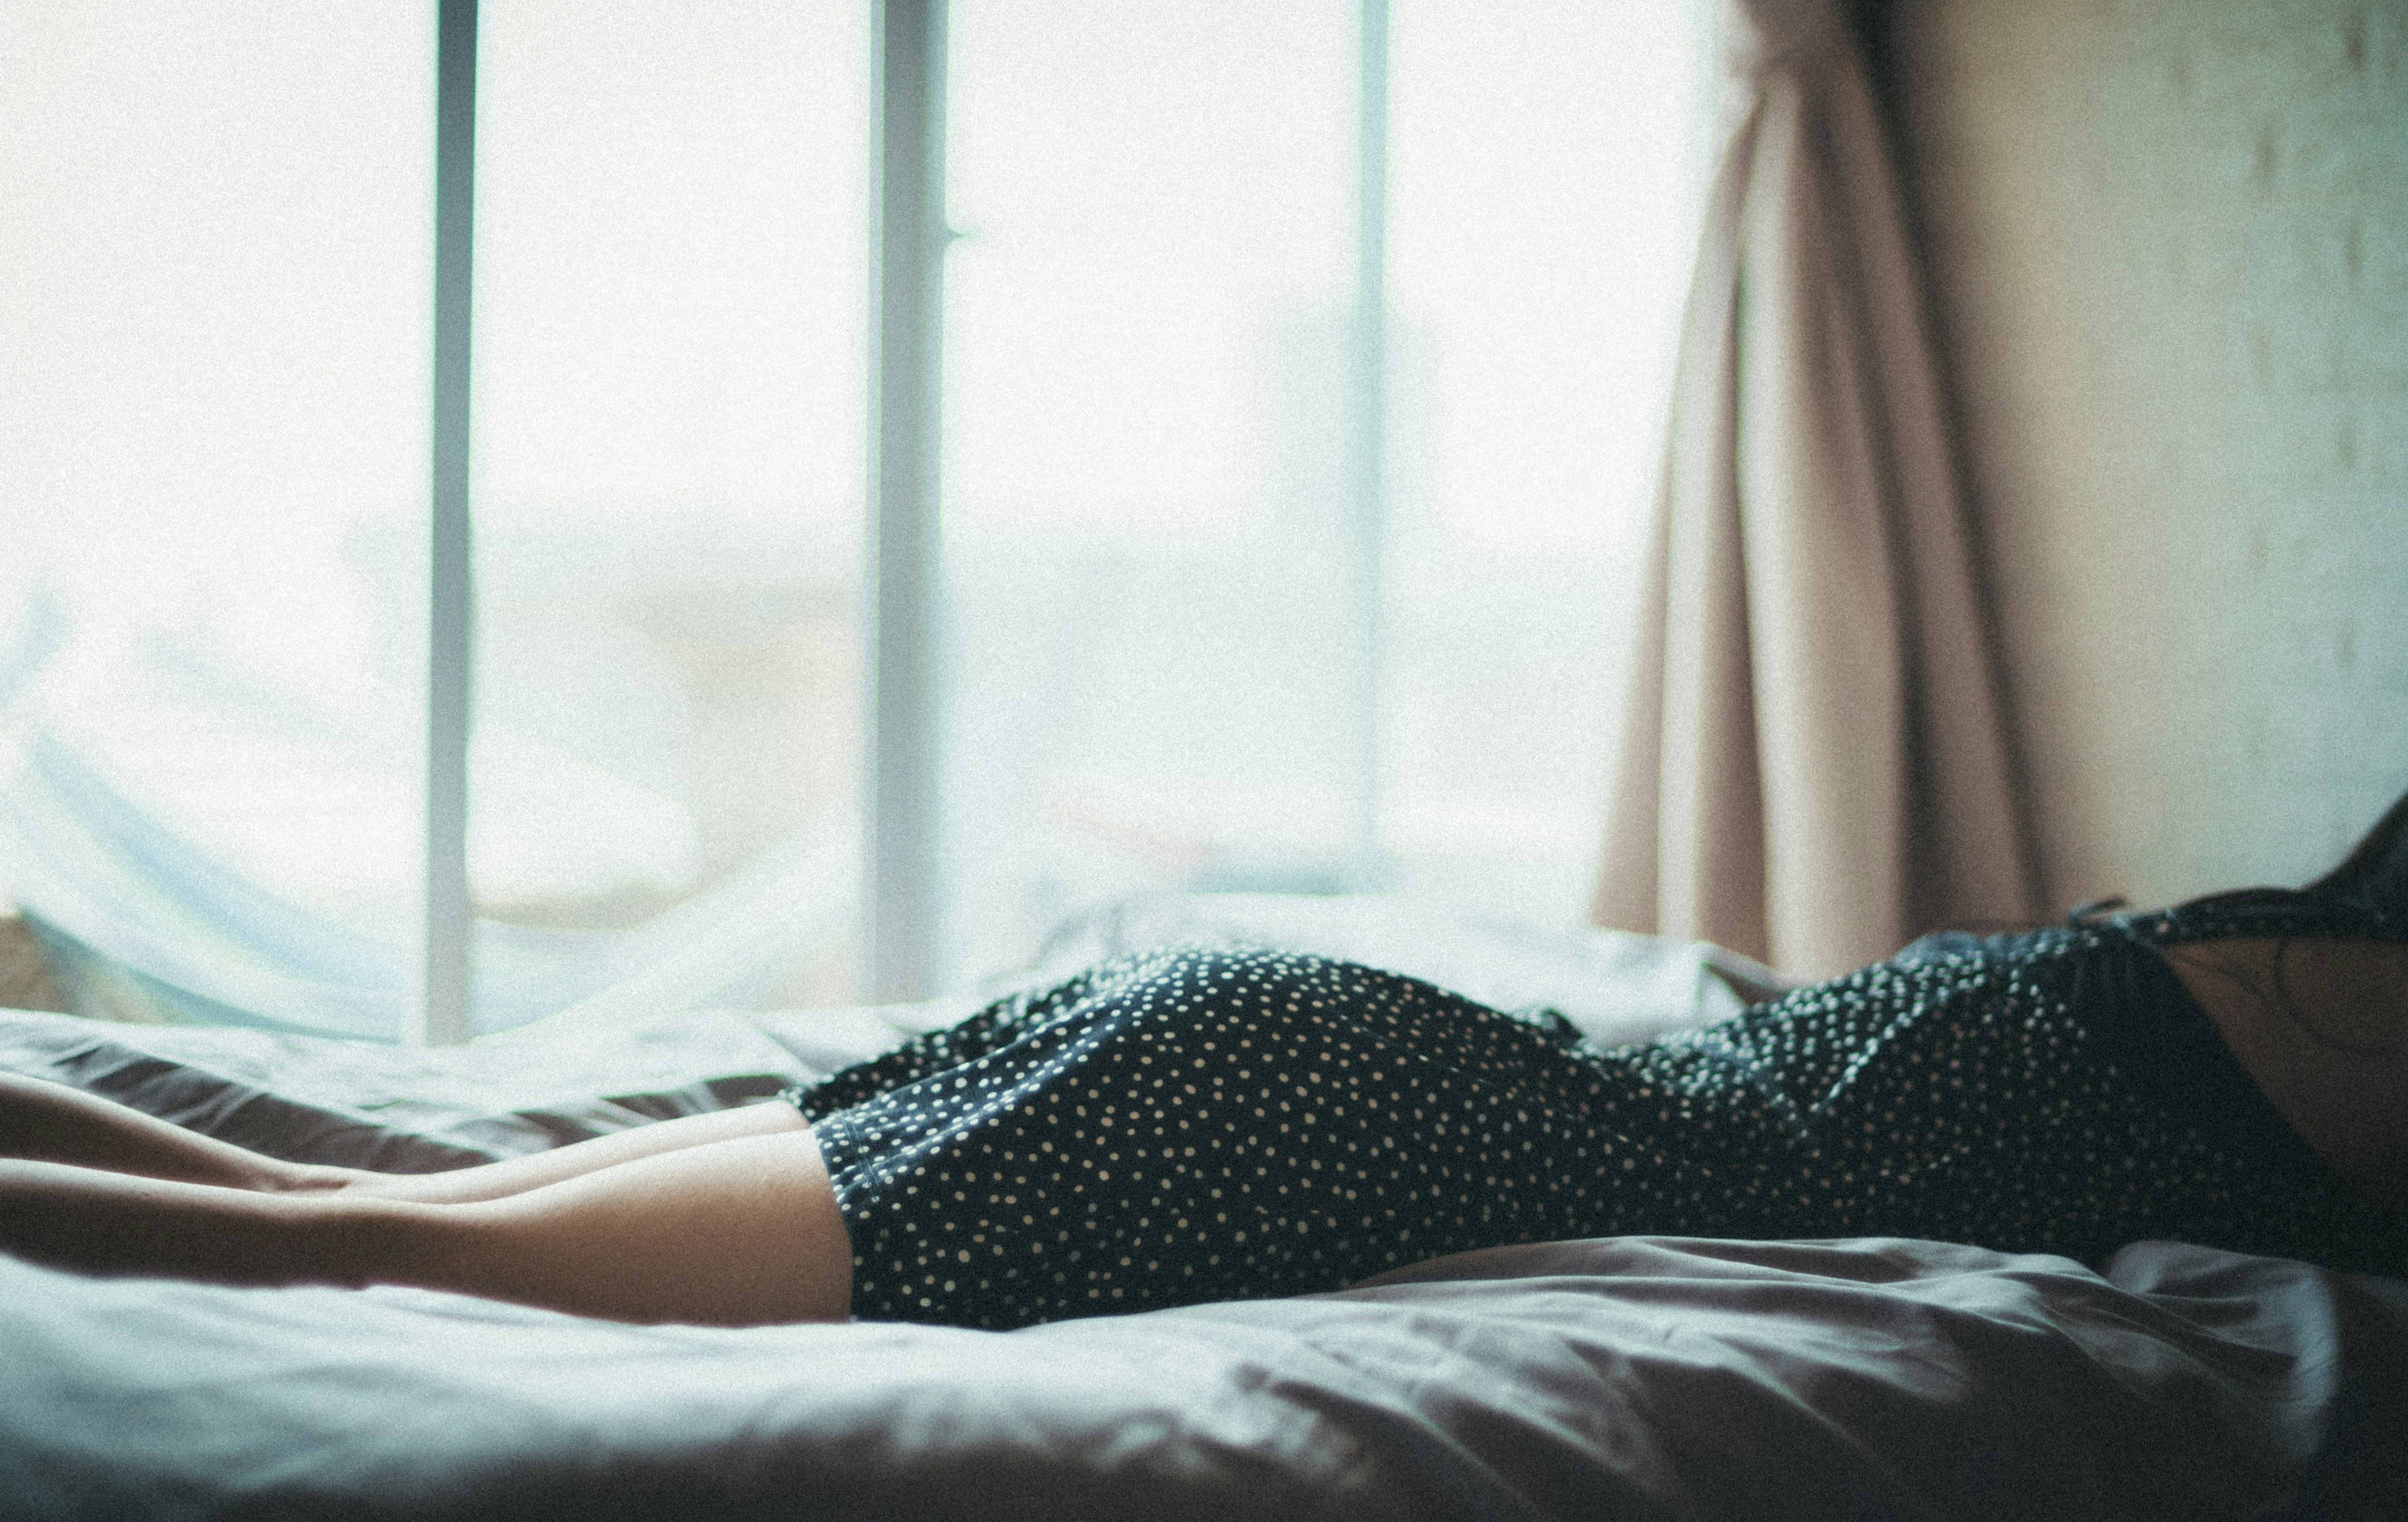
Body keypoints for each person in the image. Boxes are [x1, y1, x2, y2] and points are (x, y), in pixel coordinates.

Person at [2, 789, 2403, 1329]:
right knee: (362, 1244)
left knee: (338, 1201)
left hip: (1309, 1049)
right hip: (1300, 1115)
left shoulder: (2228, 955)